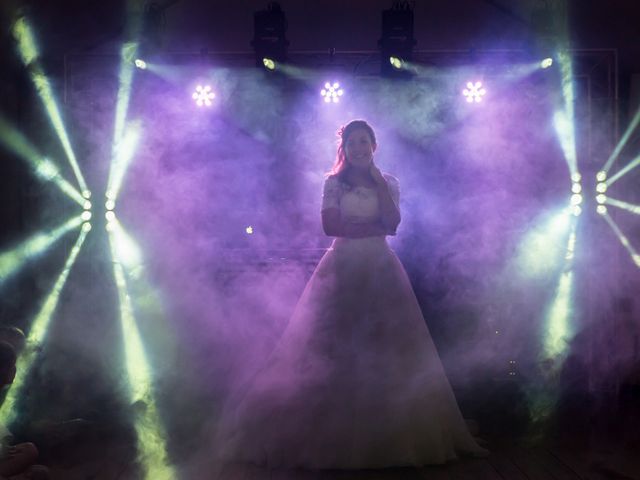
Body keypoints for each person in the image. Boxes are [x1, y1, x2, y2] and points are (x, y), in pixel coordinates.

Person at [216, 120, 488, 469]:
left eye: (363, 141)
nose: (358, 147)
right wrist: (371, 228)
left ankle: (392, 436)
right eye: (351, 142)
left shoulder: (388, 182)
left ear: (374, 145)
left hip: (380, 267)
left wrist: (374, 200)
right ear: (343, 148)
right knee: (330, 345)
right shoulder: (333, 183)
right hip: (341, 266)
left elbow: (393, 224)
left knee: (389, 347)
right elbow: (330, 226)